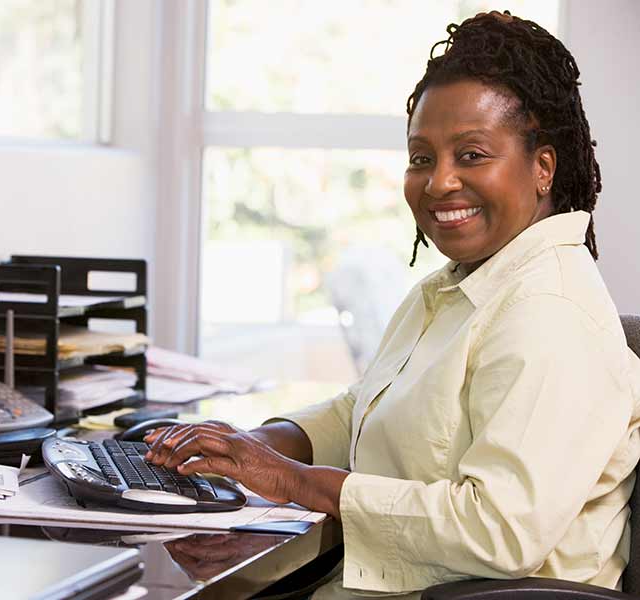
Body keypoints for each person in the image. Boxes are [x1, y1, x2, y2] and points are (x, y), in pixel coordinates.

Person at [145, 11, 640, 599]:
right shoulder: (457, 287)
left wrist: (299, 482)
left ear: (542, 168)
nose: (438, 183)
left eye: (472, 154)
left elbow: (503, 532)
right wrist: (250, 444)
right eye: (422, 158)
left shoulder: (551, 312)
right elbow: (367, 404)